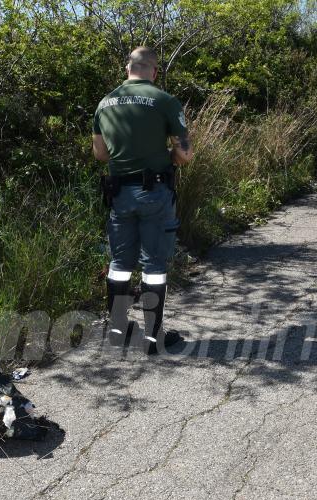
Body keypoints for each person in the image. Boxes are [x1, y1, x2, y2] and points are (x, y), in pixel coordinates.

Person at [91, 46, 194, 355]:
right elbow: (185, 154)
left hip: (119, 194)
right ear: (154, 71)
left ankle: (119, 331)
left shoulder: (104, 103)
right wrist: (168, 156)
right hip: (154, 193)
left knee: (119, 264)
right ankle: (152, 338)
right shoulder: (164, 101)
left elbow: (100, 154)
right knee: (154, 265)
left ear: (127, 70)